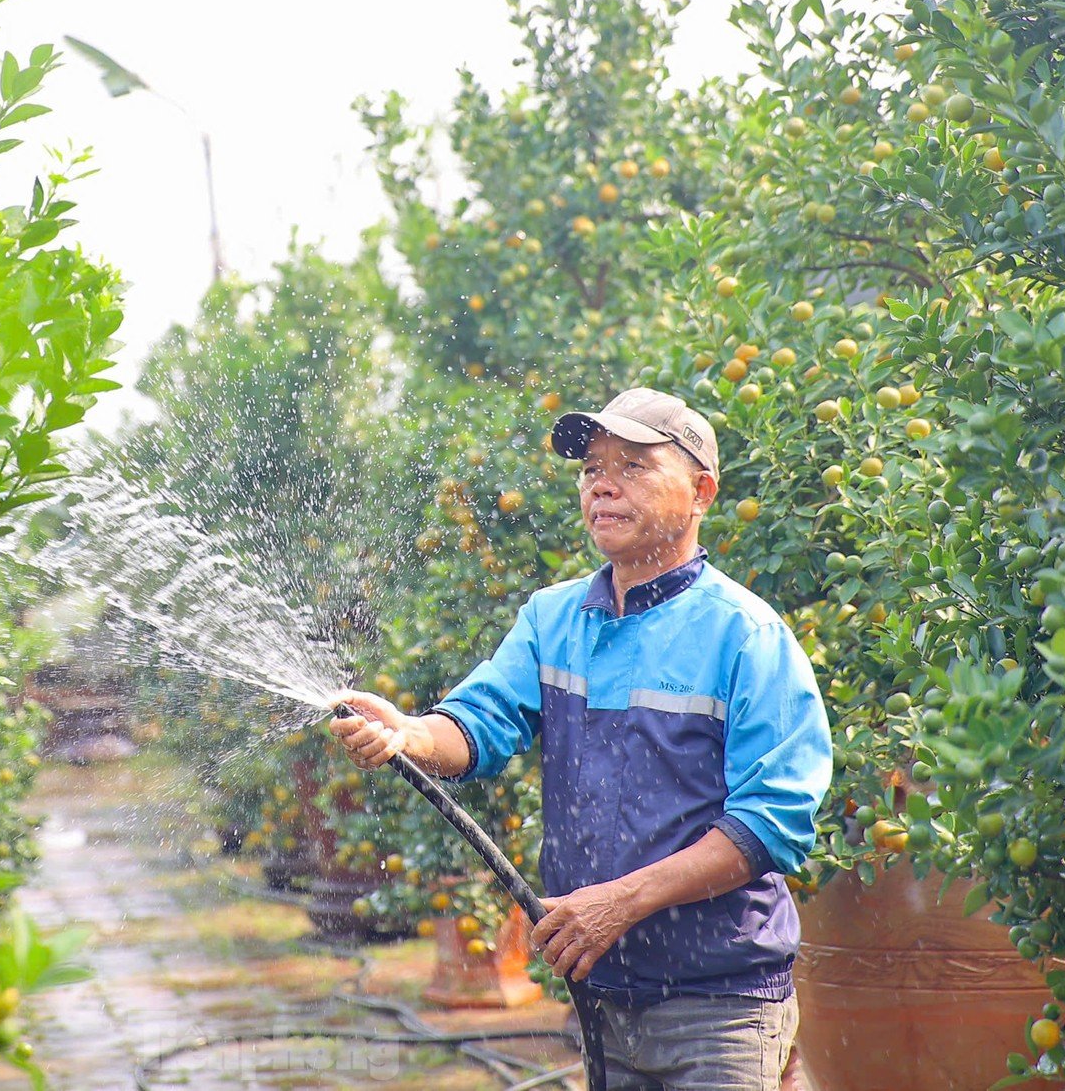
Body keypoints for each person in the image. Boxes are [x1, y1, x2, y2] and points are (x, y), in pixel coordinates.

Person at [330, 387, 831, 1090]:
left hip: (719, 1003)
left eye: (632, 465)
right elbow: (478, 724)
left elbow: (771, 827)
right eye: (592, 467)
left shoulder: (745, 636)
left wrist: (620, 902)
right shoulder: (553, 619)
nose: (603, 483)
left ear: (702, 491)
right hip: (599, 995)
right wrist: (411, 734)